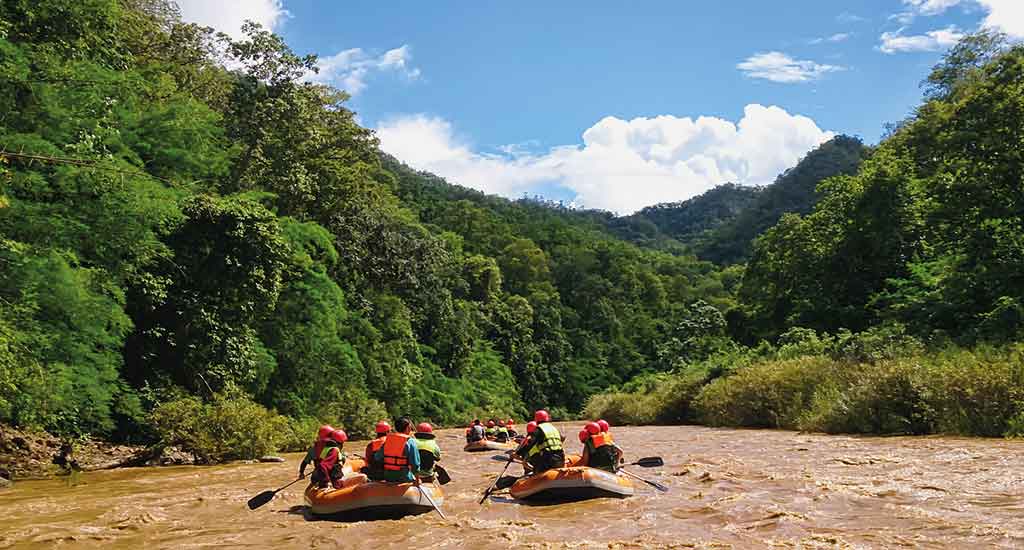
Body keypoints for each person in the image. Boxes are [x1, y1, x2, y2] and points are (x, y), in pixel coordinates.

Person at [371, 417, 420, 483]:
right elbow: (415, 464)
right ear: (408, 428)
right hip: (404, 476)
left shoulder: (388, 440)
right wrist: (417, 479)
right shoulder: (410, 441)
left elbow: (377, 457)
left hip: (388, 476)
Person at [515, 410, 565, 475]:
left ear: (536, 419)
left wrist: (518, 453)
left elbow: (530, 443)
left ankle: (536, 473)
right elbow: (562, 438)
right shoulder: (553, 428)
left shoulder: (539, 429)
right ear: (547, 418)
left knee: (534, 459)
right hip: (561, 458)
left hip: (548, 461)